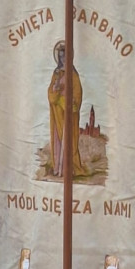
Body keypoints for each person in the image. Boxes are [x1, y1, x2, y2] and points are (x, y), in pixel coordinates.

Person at [48, 39, 86, 178]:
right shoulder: (57, 73)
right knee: (59, 139)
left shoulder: (73, 74)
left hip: (69, 114)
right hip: (58, 113)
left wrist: (71, 103)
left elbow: (77, 94)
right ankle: (58, 168)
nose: (63, 59)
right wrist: (55, 90)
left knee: (69, 140)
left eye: (65, 56)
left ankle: (70, 168)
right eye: (61, 56)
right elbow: (50, 94)